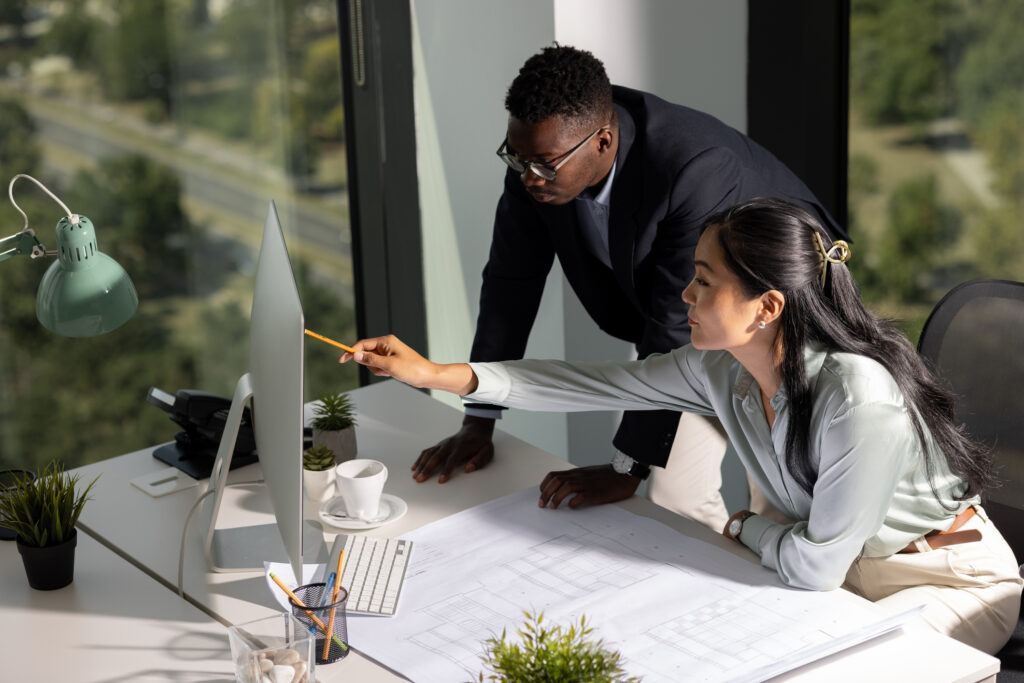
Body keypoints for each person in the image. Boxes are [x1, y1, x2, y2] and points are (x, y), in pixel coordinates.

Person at [342, 198, 1023, 654]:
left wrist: (741, 525)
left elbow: (816, 568)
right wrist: (438, 375)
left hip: (939, 582)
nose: (685, 295)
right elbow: (590, 382)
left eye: (704, 281)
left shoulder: (856, 395)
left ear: (766, 307)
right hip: (836, 571)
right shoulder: (717, 369)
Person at [414, 44, 848, 529]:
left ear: (602, 142)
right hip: (699, 318)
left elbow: (670, 325)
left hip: (780, 315)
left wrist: (627, 466)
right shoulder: (539, 158)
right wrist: (479, 420)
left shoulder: (692, 169)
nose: (529, 178)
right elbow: (509, 286)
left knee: (779, 504)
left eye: (543, 165)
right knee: (675, 496)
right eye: (516, 158)